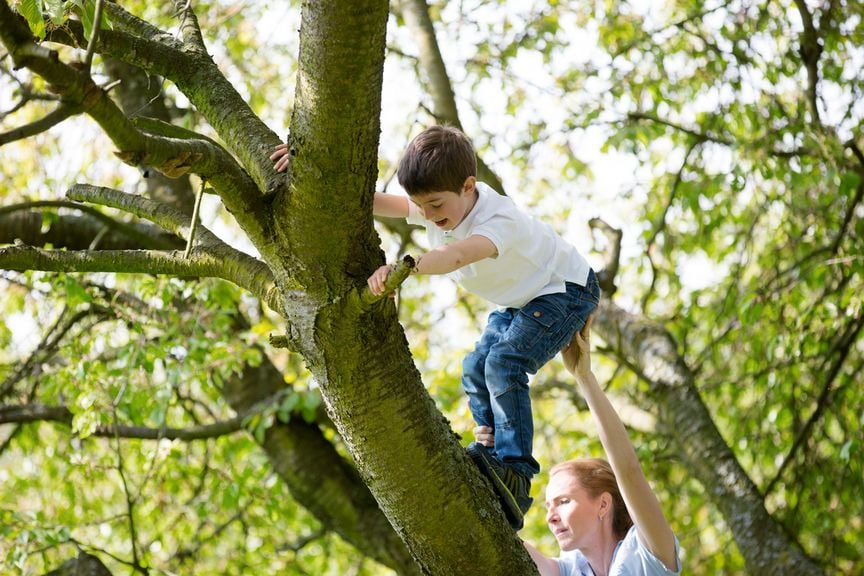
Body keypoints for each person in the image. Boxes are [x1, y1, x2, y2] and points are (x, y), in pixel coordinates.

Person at [272, 125, 600, 530]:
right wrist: (317, 183)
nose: (426, 215)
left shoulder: (498, 219)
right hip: (520, 299)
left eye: (434, 206)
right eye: (420, 205)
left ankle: (515, 471)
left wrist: (404, 268)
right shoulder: (439, 201)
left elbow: (459, 254)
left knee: (503, 364)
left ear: (468, 186)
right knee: (474, 368)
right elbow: (387, 203)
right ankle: (492, 451)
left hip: (563, 291)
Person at [474, 318, 680, 575]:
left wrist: (584, 376)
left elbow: (629, 471)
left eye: (563, 501)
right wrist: (488, 457)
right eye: (549, 506)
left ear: (603, 505)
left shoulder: (647, 554)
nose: (550, 517)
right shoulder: (566, 570)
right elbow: (494, 525)